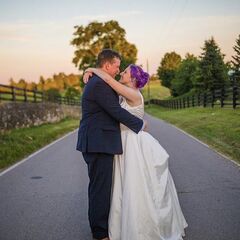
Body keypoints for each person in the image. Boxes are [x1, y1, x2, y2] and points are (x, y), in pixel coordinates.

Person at [84, 64, 188, 240]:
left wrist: (91, 69)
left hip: (132, 143)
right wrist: (89, 71)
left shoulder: (132, 93)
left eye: (125, 72)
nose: (121, 73)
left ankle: (141, 228)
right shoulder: (125, 92)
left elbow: (108, 79)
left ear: (132, 79)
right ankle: (122, 226)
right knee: (123, 186)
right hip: (122, 142)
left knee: (135, 186)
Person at [76, 49, 146, 240]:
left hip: (100, 142)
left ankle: (103, 228)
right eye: (116, 66)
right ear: (107, 66)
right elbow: (115, 110)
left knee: (103, 188)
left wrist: (89, 69)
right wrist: (140, 125)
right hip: (98, 143)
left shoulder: (100, 81)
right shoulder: (99, 84)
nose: (118, 69)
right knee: (100, 189)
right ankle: (99, 234)